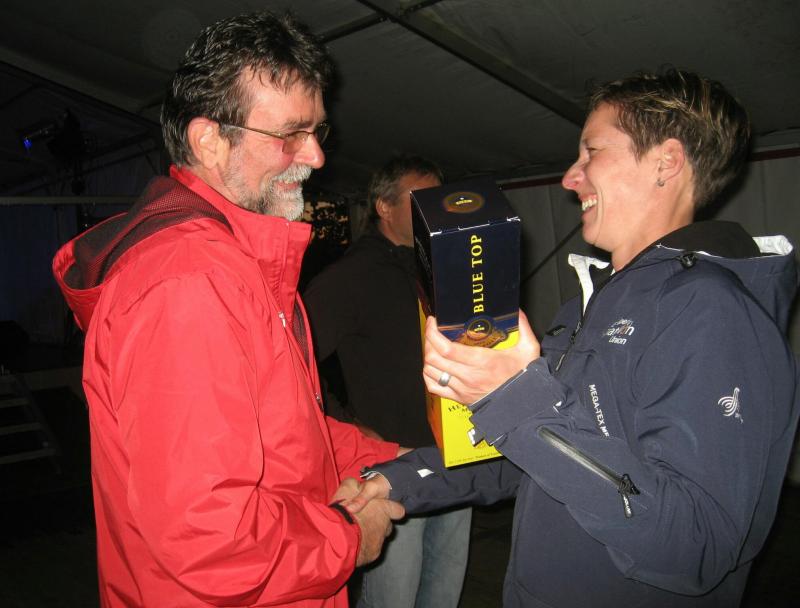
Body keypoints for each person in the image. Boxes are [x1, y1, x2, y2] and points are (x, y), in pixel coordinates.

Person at [345, 69, 800, 607]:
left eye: (592, 152)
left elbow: (695, 541)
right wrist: (398, 479)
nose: (569, 178)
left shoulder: (714, 312)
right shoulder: (591, 303)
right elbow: (534, 455)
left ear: (667, 162)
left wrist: (513, 398)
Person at [52, 12, 405, 608]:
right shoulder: (188, 284)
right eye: (291, 134)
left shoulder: (240, 261)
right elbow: (205, 534)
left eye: (317, 129)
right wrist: (348, 537)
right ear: (209, 140)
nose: (317, 156)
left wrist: (394, 460)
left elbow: (280, 437)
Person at [304, 156, 471, 608]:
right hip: (391, 463)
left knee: (444, 588)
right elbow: (294, 361)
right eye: (421, 199)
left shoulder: (440, 265)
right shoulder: (351, 277)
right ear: (384, 206)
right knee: (395, 596)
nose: (434, 209)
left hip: (454, 452)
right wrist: (346, 424)